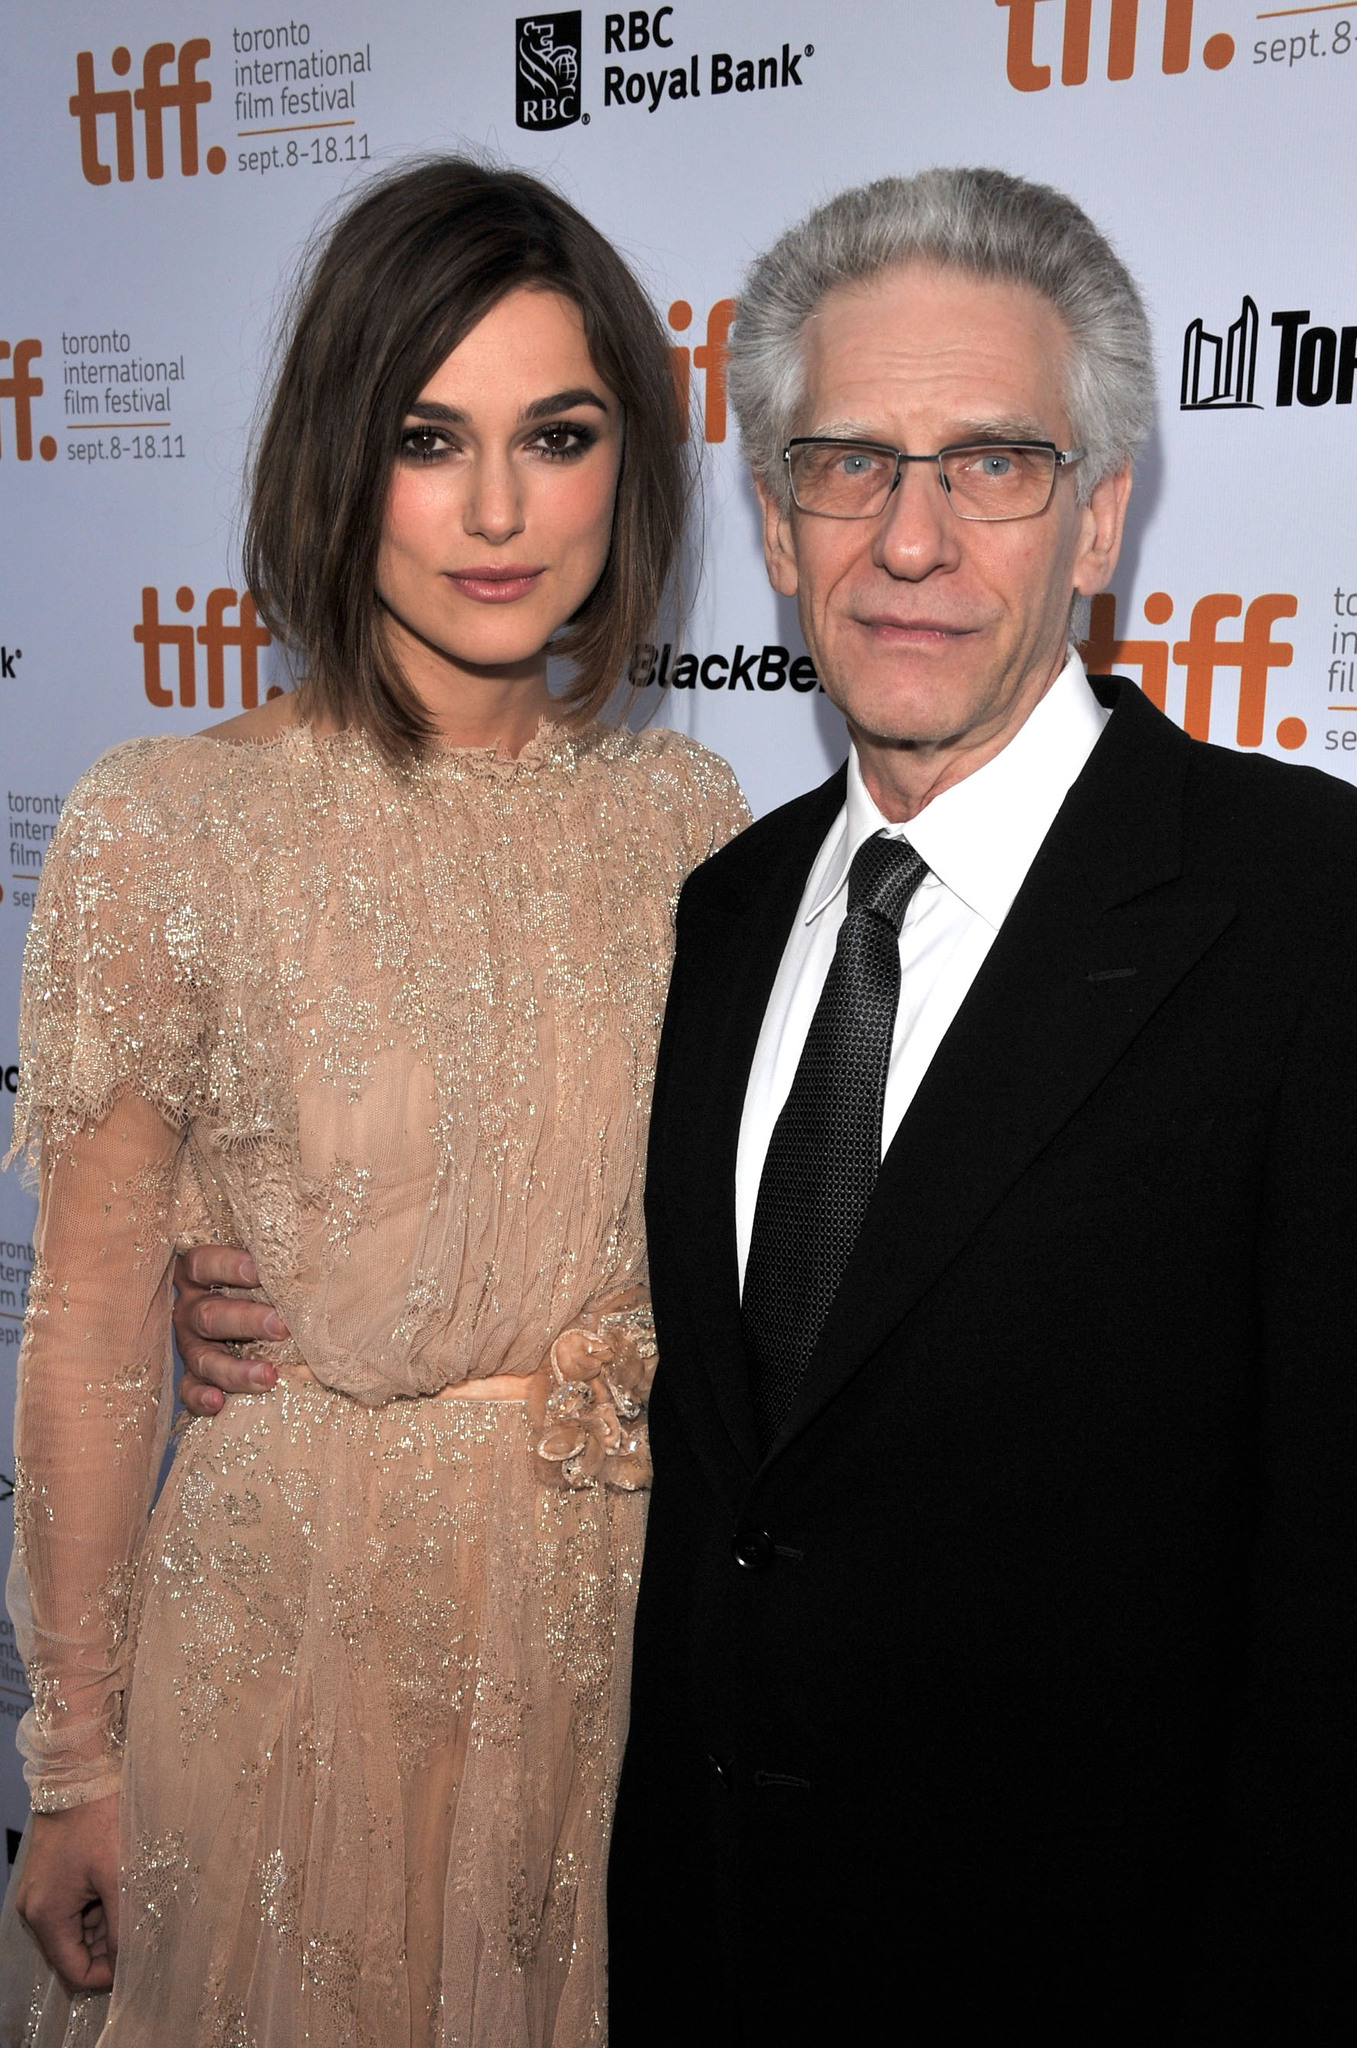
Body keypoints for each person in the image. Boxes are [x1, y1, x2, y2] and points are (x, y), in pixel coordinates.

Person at [601, 169, 1357, 2043]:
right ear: (777, 528)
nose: (910, 541)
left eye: (992, 464)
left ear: (1099, 515)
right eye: (848, 464)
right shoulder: (723, 905)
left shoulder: (1304, 906)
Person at [0, 157, 745, 2048]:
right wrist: (73, 1756)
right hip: (287, 1632)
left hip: (609, 1645)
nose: (498, 511)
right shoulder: (167, 823)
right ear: (344, 454)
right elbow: (89, 1329)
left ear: (628, 464)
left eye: (556, 434)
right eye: (430, 436)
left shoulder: (696, 829)